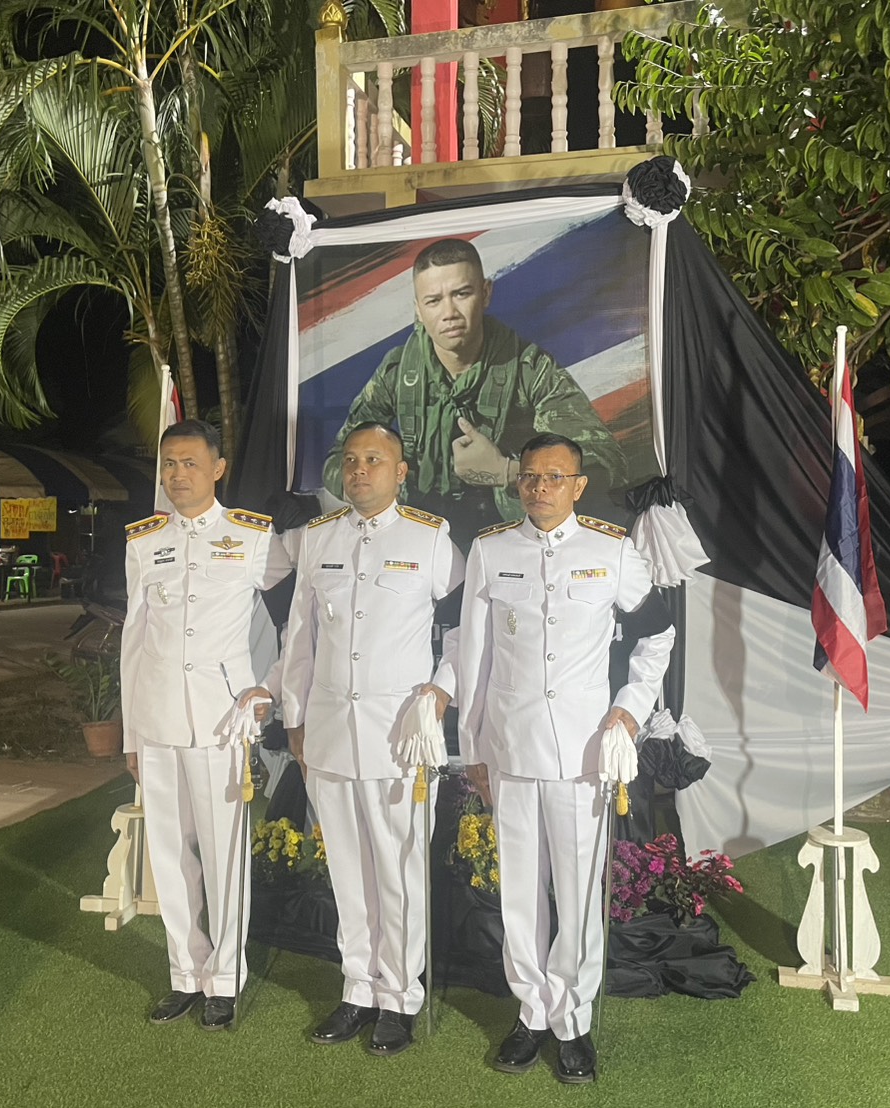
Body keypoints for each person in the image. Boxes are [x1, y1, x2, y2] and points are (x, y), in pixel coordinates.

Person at [455, 433, 675, 1084]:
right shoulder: (491, 551)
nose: (540, 487)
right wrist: (473, 748)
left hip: (582, 753)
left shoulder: (611, 551)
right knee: (521, 893)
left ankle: (572, 1020)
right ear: (517, 482)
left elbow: (658, 635)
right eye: (530, 476)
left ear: (578, 486)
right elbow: (474, 657)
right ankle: (531, 1013)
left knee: (577, 892)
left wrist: (628, 709)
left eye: (554, 477)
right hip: (510, 749)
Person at [282, 423, 465, 1057]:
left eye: (374, 460)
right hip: (330, 731)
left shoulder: (430, 538)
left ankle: (400, 998)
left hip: (398, 737)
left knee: (399, 870)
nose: (359, 470)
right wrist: (295, 717)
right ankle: (358, 989)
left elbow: (466, 628)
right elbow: (299, 635)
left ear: (401, 471)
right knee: (347, 870)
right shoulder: (317, 539)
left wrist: (441, 690)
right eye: (351, 459)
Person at [121, 420, 291, 1031]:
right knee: (169, 855)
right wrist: (130, 734)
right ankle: (185, 974)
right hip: (158, 717)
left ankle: (224, 979)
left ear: (218, 468)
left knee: (224, 855)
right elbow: (133, 640)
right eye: (169, 464)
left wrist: (269, 686)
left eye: (190, 463)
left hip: (223, 719)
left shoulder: (252, 536)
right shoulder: (144, 542)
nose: (177, 475)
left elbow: (298, 619)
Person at [321, 238, 630, 534]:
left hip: (509, 534)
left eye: (461, 294)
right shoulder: (399, 371)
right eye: (433, 301)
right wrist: (382, 484)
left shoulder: (529, 369)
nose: (449, 313)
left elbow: (605, 464)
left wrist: (507, 472)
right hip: (418, 531)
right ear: (418, 310)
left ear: (485, 293)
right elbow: (336, 461)